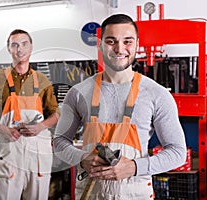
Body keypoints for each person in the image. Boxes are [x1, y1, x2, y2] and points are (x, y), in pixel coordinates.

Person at [53, 14, 187, 199]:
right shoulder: (78, 93)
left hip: (135, 193)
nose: (119, 48)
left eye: (127, 41)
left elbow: (177, 152)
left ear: (137, 44)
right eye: (111, 41)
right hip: (91, 193)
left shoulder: (157, 94)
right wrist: (81, 159)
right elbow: (59, 143)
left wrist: (133, 167)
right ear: (100, 44)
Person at [0, 29, 60, 200]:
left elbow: (56, 114)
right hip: (9, 151)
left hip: (37, 155)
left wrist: (41, 126)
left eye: (24, 44)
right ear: (9, 49)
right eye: (14, 45)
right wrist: (3, 129)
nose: (20, 49)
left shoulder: (42, 80)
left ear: (31, 47)